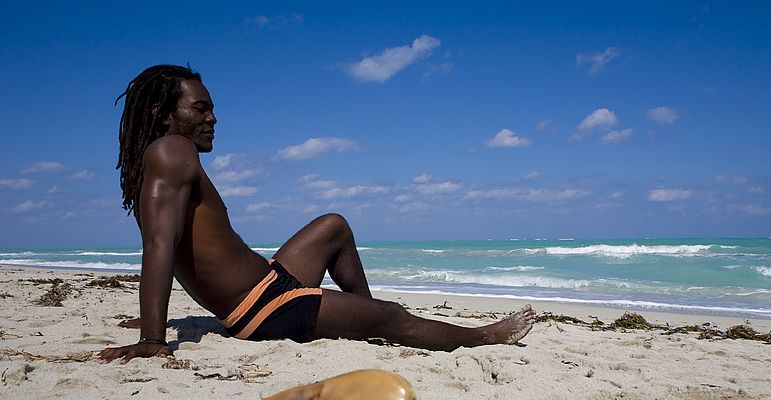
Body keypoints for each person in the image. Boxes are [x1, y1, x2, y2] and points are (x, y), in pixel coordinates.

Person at [98, 65, 535, 364]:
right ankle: (484, 336)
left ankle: (359, 311)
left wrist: (157, 317)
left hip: (270, 282)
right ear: (163, 113)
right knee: (393, 316)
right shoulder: (171, 151)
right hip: (263, 309)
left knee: (334, 225)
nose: (213, 118)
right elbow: (160, 245)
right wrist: (152, 339)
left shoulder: (167, 156)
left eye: (211, 107)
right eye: (200, 108)